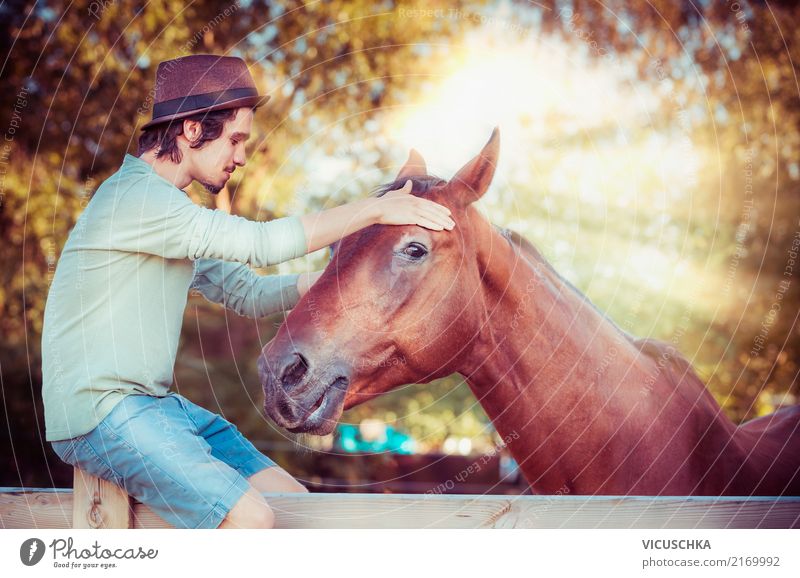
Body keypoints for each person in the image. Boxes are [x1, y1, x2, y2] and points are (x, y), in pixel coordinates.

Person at [42, 54, 454, 529]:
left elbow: (247, 293)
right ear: (192, 130)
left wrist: (332, 286)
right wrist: (373, 211)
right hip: (101, 414)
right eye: (235, 139)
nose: (240, 156)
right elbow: (260, 245)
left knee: (296, 504)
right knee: (251, 519)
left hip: (153, 407)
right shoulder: (137, 200)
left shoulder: (172, 215)